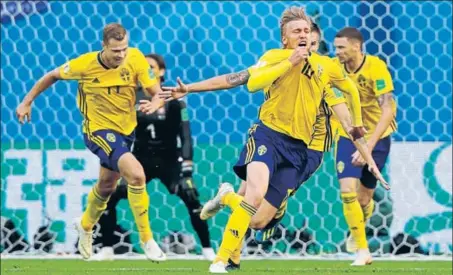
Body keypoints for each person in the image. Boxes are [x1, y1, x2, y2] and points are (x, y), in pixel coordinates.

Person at [144, 7, 387, 273]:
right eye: (298, 32)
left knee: (258, 221)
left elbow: (349, 112)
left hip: (301, 152)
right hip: (268, 135)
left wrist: (368, 155)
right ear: (286, 38)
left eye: (308, 32)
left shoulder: (325, 70)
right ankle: (222, 260)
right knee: (255, 193)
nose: (304, 36)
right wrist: (189, 88)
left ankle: (226, 199)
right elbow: (245, 81)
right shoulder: (274, 58)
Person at [16, 23, 166, 261]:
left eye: (124, 49)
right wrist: (27, 101)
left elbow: (155, 91)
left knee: (106, 186)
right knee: (137, 175)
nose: (121, 55)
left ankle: (85, 226)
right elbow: (52, 75)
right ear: (104, 46)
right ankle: (147, 239)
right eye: (116, 50)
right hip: (97, 130)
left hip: (126, 131)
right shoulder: (84, 64)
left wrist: (157, 102)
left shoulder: (136, 58)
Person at [92, 54, 216, 261]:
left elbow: (185, 135)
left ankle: (207, 249)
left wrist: (186, 164)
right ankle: (106, 248)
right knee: (110, 195)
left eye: (151, 67)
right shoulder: (130, 97)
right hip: (140, 159)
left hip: (169, 159)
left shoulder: (173, 98)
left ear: (161, 72)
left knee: (190, 194)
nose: (146, 70)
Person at [332, 27, 397, 265]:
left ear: (356, 46)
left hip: (376, 138)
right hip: (348, 135)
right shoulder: (334, 67)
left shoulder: (376, 67)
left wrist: (368, 146)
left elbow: (388, 108)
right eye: (335, 47)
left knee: (363, 200)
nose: (337, 52)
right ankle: (362, 250)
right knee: (347, 189)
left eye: (341, 47)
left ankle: (355, 231)